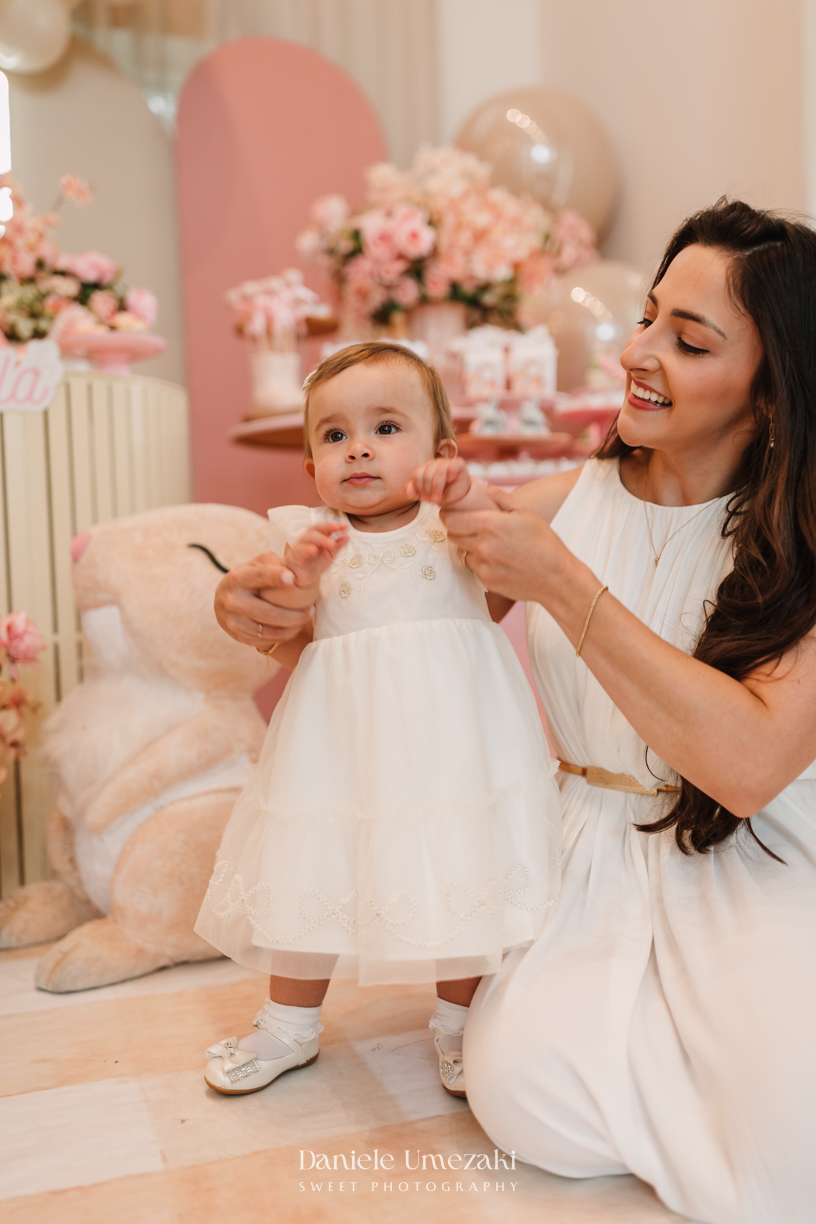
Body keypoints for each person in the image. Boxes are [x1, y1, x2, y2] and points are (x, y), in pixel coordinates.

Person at [426, 200, 816, 1224]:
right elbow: (397, 641)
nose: (638, 353)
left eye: (689, 340)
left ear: (772, 391)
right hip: (585, 851)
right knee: (526, 1096)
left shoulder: (802, 545)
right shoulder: (559, 507)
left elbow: (748, 767)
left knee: (795, 1158)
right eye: (647, 318)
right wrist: (276, 615)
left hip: (756, 856)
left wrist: (563, 585)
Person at [196, 342, 562, 1099]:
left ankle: (460, 1023)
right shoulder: (312, 534)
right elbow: (285, 617)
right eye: (334, 435)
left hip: (456, 747)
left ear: (441, 454)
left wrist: (461, 493)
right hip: (337, 748)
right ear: (312, 467)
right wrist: (298, 572)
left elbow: (497, 544)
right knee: (310, 870)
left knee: (464, 868)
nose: (358, 447)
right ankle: (288, 1025)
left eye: (386, 428)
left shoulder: (453, 526)